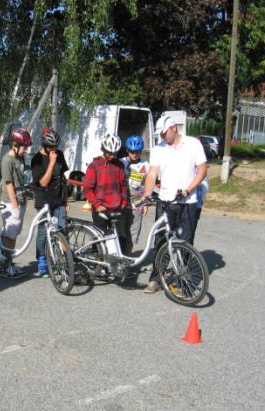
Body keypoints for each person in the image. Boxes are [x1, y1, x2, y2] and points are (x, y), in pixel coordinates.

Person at [142, 114, 207, 294]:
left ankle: (183, 281)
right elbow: (152, 174)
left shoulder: (193, 144)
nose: (162, 136)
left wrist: (188, 190)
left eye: (165, 133)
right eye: (160, 134)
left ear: (174, 128)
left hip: (188, 202)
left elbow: (202, 171)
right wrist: (147, 195)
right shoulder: (158, 149)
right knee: (160, 241)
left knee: (185, 242)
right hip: (165, 202)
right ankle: (156, 278)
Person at [84, 133, 132, 254]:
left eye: (115, 153)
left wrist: (123, 202)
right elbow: (88, 189)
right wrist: (96, 205)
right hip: (100, 208)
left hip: (117, 208)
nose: (112, 156)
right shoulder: (94, 166)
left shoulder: (119, 165)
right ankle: (97, 262)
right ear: (103, 149)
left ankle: (117, 262)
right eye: (110, 153)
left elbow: (123, 186)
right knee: (99, 240)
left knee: (120, 239)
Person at [30, 128, 68, 278]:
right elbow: (43, 183)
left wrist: (66, 199)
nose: (54, 149)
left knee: (61, 230)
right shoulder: (36, 160)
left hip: (59, 199)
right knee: (43, 232)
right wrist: (51, 163)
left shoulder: (60, 155)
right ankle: (42, 261)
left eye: (56, 146)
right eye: (51, 147)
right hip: (44, 201)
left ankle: (62, 261)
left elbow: (63, 178)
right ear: (44, 145)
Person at [0, 127, 32, 279]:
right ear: (14, 145)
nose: (26, 150)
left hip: (20, 200)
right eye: (24, 147)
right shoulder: (7, 160)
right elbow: (8, 184)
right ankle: (6, 268)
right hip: (10, 203)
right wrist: (15, 206)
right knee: (9, 237)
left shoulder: (19, 158)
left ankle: (8, 263)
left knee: (12, 236)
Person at [120, 135, 150, 251]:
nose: (134, 154)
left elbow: (147, 183)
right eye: (132, 152)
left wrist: (146, 203)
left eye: (137, 152)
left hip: (137, 202)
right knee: (120, 231)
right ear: (127, 150)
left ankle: (127, 256)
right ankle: (118, 256)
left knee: (133, 232)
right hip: (122, 201)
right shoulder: (121, 163)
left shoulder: (145, 165)